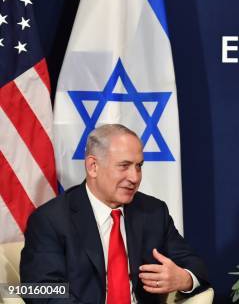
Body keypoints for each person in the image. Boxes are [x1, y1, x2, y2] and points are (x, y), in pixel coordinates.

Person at [20, 124, 210, 303]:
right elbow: (39, 288)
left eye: (139, 166)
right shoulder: (50, 219)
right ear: (93, 166)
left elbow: (195, 265)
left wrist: (183, 279)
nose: (135, 177)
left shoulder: (153, 212)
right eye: (124, 166)